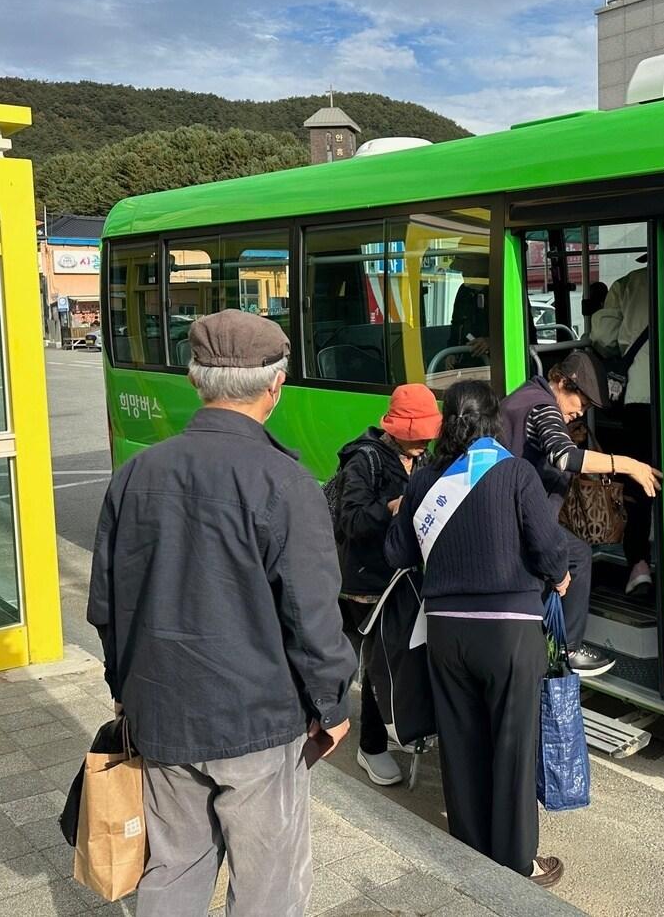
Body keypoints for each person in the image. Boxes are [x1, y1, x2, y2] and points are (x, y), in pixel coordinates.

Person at [88, 310, 356, 917]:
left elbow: (106, 606)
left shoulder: (135, 475)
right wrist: (333, 705)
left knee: (173, 869)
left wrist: (125, 691)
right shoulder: (286, 483)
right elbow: (314, 618)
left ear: (195, 380)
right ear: (275, 387)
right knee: (269, 885)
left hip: (161, 712)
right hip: (256, 721)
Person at [383, 380, 568, 887]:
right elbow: (550, 551)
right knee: (512, 743)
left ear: (446, 421)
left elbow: (396, 554)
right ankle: (515, 861)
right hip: (509, 633)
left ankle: (470, 851)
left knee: (460, 742)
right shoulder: (515, 473)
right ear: (492, 422)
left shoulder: (423, 481)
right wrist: (557, 574)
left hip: (445, 634)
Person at [499, 352, 661, 676]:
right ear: (560, 382)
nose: (578, 412)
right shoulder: (543, 407)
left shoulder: (526, 395)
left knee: (570, 554)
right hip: (513, 517)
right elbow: (563, 456)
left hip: (507, 511)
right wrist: (628, 465)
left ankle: (551, 644)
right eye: (579, 403)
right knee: (574, 555)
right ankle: (566, 650)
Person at [334, 383, 440, 788]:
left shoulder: (423, 455)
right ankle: (371, 746)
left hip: (407, 576)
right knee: (380, 664)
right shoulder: (364, 461)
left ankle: (399, 727)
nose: (422, 443)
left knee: (402, 658)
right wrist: (393, 506)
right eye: (416, 435)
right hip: (370, 583)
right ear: (394, 428)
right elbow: (353, 522)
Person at [591, 263, 656, 595]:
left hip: (640, 398)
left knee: (639, 483)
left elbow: (603, 338)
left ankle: (639, 565)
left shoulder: (628, 284)